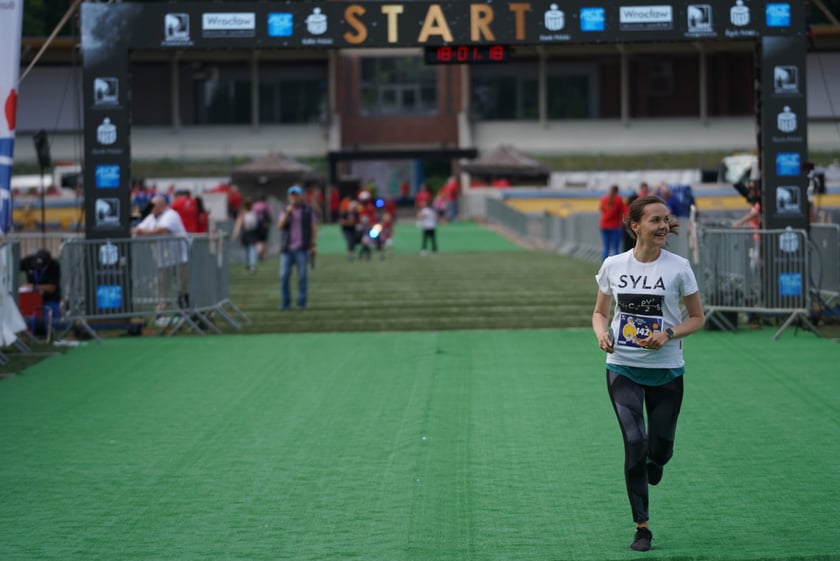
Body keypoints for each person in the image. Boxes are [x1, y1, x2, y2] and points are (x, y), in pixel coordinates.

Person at [591, 195, 705, 552]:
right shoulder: (613, 264)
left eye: (665, 219)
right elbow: (599, 312)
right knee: (634, 443)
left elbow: (698, 318)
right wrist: (602, 334)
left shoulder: (678, 267)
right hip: (623, 366)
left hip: (667, 370)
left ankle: (657, 460)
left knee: (660, 449)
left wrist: (668, 333)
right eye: (654, 220)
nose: (662, 226)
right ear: (635, 225)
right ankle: (642, 526)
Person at [132, 194, 190, 314]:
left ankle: (185, 310)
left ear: (162, 206)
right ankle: (161, 312)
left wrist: (144, 232)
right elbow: (138, 229)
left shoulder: (171, 215)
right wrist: (140, 230)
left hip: (179, 258)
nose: (151, 208)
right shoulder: (151, 217)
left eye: (154, 205)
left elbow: (163, 230)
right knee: (162, 287)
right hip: (163, 260)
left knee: (183, 286)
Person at [278, 185, 318, 311]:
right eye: (292, 195)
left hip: (302, 248)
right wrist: (288, 213)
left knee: (302, 276)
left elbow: (313, 227)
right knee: (284, 276)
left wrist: (312, 244)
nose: (294, 197)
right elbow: (280, 226)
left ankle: (301, 302)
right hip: (287, 248)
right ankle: (286, 302)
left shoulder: (307, 210)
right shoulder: (285, 210)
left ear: (301, 196)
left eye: (296, 195)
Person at [20, 249, 62, 323]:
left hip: (49, 299)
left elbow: (52, 288)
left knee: (51, 322)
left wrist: (34, 287)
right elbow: (13, 266)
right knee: (29, 319)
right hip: (32, 298)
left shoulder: (54, 266)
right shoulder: (28, 261)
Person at [232, 197, 260, 272]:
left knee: (249, 250)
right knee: (251, 249)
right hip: (250, 233)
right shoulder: (251, 213)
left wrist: (235, 234)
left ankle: (250, 265)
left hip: (248, 232)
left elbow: (238, 224)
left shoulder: (245, 213)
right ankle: (251, 265)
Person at [599, 184, 626, 261]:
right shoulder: (618, 199)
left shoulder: (604, 199)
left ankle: (604, 265)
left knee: (606, 247)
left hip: (604, 225)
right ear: (617, 191)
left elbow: (602, 210)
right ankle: (616, 265)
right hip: (615, 225)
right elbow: (622, 211)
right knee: (616, 247)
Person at [623, 182, 650, 251]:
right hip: (634, 225)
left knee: (629, 245)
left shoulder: (631, 202)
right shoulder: (641, 199)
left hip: (630, 225)